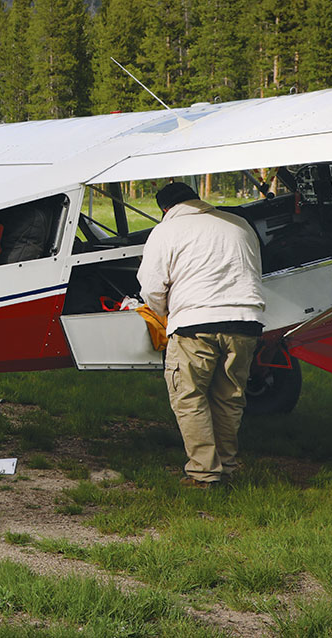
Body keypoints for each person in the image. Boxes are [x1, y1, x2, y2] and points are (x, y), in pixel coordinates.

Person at [138, 181, 265, 488]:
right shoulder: (239, 223)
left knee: (189, 396)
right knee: (229, 398)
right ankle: (226, 468)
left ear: (165, 209)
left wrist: (166, 312)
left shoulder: (166, 230)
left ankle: (204, 474)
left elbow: (152, 286)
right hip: (245, 321)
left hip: (195, 323)